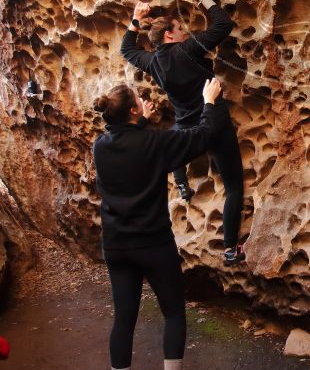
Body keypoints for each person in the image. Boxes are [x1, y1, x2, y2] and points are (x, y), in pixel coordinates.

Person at [93, 78, 226, 370]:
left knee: (124, 320)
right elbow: (203, 135)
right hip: (153, 244)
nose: (144, 102)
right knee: (174, 314)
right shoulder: (156, 142)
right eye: (139, 101)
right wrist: (208, 101)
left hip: (117, 246)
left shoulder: (100, 147)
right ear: (132, 111)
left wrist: (142, 122)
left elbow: (128, 142)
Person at [120, 0, 246, 266]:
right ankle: (230, 249)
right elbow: (223, 24)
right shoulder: (188, 48)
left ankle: (181, 183)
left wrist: (135, 20)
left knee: (172, 142)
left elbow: (127, 49)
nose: (185, 31)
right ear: (169, 34)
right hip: (215, 123)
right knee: (234, 186)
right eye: (180, 27)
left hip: (187, 129)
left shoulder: (152, 61)